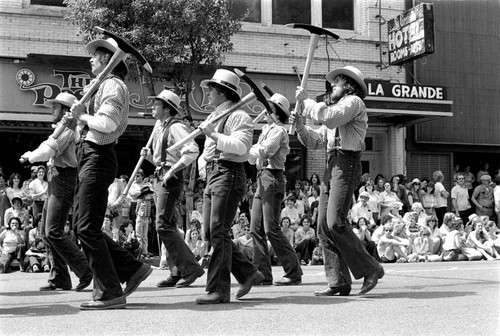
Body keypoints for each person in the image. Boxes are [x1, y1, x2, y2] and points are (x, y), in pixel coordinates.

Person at [69, 37, 151, 309]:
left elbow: (107, 123)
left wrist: (82, 117)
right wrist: (77, 122)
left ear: (107, 59)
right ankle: (130, 269)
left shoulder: (113, 85)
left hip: (98, 158)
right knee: (84, 227)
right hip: (90, 158)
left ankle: (110, 291)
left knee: (87, 228)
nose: (90, 59)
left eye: (95, 55)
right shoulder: (101, 85)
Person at [292, 65, 384, 297]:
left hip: (347, 163)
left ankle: (371, 268)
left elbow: (329, 118)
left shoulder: (353, 103)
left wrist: (305, 102)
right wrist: (301, 125)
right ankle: (339, 281)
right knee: (323, 226)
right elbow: (315, 141)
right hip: (331, 164)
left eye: (338, 82)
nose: (332, 85)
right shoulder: (336, 108)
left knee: (335, 222)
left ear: (349, 86)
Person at [196, 69, 263, 304]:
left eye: (211, 90)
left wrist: (213, 134)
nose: (208, 94)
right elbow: (206, 150)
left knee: (218, 230)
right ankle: (247, 272)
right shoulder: (214, 115)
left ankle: (219, 289)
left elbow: (242, 148)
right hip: (214, 174)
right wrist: (203, 164)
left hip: (230, 173)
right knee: (210, 231)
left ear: (223, 93)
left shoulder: (240, 116)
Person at [20, 92, 93, 292]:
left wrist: (32, 156)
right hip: (56, 178)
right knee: (46, 232)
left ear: (64, 110)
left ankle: (85, 270)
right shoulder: (63, 128)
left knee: (53, 230)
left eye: (55, 106)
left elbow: (49, 150)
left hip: (64, 178)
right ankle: (60, 278)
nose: (51, 109)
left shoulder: (68, 129)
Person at [140, 89, 204, 289]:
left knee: (162, 224)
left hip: (171, 179)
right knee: (165, 224)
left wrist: (173, 170)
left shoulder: (177, 127)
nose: (152, 107)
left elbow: (192, 150)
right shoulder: (162, 127)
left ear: (167, 108)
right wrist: (149, 157)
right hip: (162, 177)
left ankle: (190, 268)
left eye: (156, 104)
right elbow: (163, 159)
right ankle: (176, 271)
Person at [247, 92, 302, 286]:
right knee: (255, 228)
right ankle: (262, 273)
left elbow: (264, 151)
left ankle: (293, 271)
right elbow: (254, 158)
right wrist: (252, 151)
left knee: (271, 229)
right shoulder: (267, 129)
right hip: (262, 177)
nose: (264, 111)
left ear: (275, 112)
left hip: (273, 177)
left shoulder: (278, 130)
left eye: (268, 108)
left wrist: (247, 147)